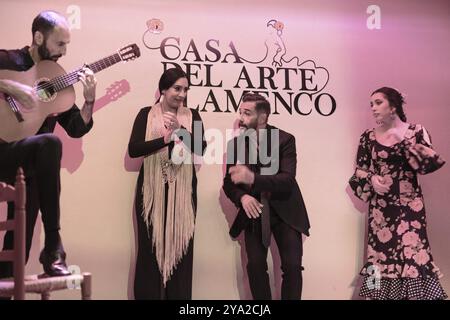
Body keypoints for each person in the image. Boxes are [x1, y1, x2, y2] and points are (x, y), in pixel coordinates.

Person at [0, 10, 97, 279]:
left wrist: (89, 102)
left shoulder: (55, 78)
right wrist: (11, 87)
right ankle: (54, 247)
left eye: (67, 44)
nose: (64, 52)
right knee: (49, 144)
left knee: (19, 244)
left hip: (27, 164)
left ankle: (44, 256)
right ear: (38, 37)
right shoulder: (8, 60)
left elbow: (77, 128)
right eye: (59, 44)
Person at [349, 87, 447, 300]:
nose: (373, 108)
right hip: (381, 210)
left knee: (414, 254)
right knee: (378, 256)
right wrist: (372, 179)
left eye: (378, 103)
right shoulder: (368, 137)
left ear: (393, 106)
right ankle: (376, 296)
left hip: (410, 207)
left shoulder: (416, 131)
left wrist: (403, 142)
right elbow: (360, 169)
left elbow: (428, 165)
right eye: (371, 104)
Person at [128, 67, 207, 299]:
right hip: (151, 192)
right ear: (163, 89)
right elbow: (134, 149)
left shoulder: (194, 116)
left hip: (183, 193)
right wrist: (164, 139)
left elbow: (201, 148)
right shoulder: (146, 113)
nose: (182, 94)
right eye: (177, 88)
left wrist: (180, 130)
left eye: (185, 89)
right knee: (149, 253)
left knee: (181, 252)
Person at [222, 92, 310, 300]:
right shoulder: (235, 145)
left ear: (262, 118)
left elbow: (287, 179)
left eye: (247, 113)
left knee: (292, 267)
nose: (241, 119)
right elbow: (228, 183)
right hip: (254, 211)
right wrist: (243, 198)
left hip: (285, 211)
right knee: (255, 267)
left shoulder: (285, 139)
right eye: (240, 112)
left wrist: (252, 178)